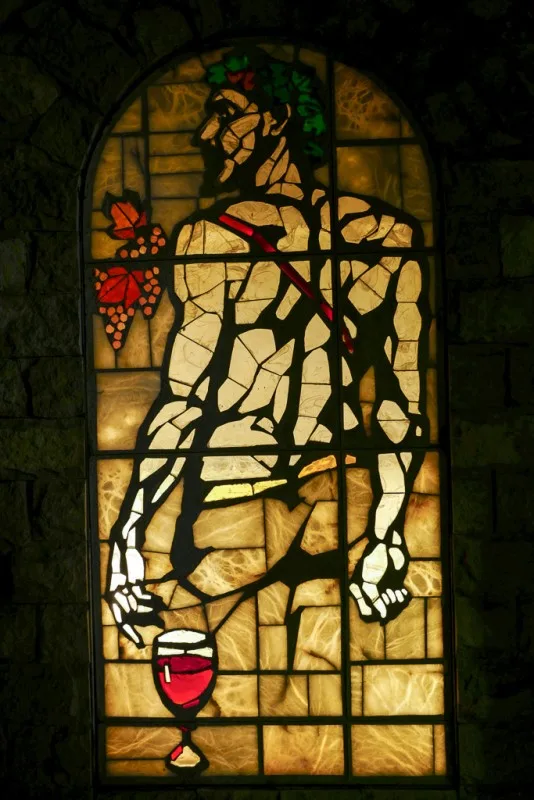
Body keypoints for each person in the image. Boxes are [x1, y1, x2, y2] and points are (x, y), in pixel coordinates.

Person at [105, 48, 430, 648]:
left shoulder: (212, 240)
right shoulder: (388, 239)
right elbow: (399, 412)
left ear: (278, 119)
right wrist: (386, 531)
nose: (206, 134)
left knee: (192, 645)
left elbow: (185, 402)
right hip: (341, 504)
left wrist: (128, 534)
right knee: (304, 673)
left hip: (236, 509)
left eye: (227, 113)